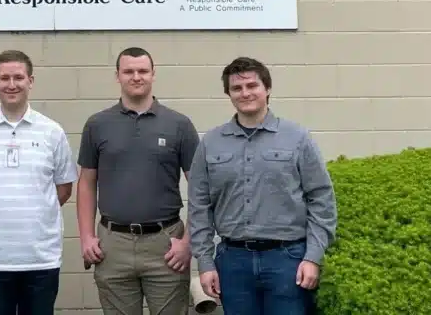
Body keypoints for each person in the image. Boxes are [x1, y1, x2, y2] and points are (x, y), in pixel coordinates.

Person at [187, 57, 338, 315]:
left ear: (267, 89)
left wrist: (312, 257)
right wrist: (204, 262)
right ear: (229, 94)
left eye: (252, 85)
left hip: (288, 261)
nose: (245, 93)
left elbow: (321, 199)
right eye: (237, 88)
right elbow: (199, 207)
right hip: (233, 263)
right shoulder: (210, 143)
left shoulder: (297, 138)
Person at [76, 47, 200, 315]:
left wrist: (188, 242)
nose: (136, 77)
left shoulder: (179, 125)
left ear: (153, 75)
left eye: (142, 71)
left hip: (166, 245)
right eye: (128, 71)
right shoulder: (97, 124)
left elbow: (201, 188)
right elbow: (86, 183)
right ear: (117, 76)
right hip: (113, 244)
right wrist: (87, 236)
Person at [0, 50, 78, 315]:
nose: (12, 84)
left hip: (40, 258)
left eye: (19, 77)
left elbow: (64, 188)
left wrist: (34, 209)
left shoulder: (52, 132)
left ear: (30, 81)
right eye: (5, 78)